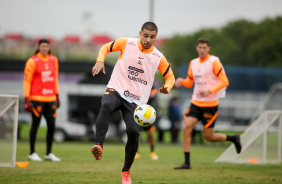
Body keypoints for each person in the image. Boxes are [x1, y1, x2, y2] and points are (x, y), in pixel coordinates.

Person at [91, 22, 175, 183]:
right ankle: (98, 145)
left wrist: (167, 86)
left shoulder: (158, 57)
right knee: (107, 105)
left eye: (152, 37)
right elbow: (105, 47)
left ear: (155, 37)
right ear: (140, 33)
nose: (148, 39)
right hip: (116, 89)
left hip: (136, 102)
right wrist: (100, 60)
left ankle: (126, 172)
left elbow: (170, 76)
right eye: (145, 35)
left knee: (132, 132)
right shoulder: (126, 43)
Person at [174, 38, 241, 169]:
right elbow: (189, 81)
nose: (202, 50)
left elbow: (225, 81)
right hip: (196, 103)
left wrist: (209, 91)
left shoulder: (214, 62)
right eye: (200, 47)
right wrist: (181, 81)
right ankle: (187, 162)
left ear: (208, 48)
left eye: (205, 47)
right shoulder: (193, 63)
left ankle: (233, 138)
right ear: (196, 48)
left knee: (208, 137)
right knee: (186, 128)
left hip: (210, 105)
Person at [23, 38, 61, 162]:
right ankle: (32, 153)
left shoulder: (54, 60)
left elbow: (55, 78)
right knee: (35, 125)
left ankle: (48, 153)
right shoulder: (32, 61)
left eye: (46, 46)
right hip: (37, 98)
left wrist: (57, 95)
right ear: (39, 47)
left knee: (51, 125)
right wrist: (26, 98)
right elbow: (27, 80)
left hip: (50, 98)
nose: (45, 48)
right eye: (42, 46)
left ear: (49, 47)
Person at [135, 87, 159, 160]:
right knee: (137, 134)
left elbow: (152, 97)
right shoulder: (137, 84)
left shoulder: (152, 85)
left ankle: (152, 152)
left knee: (150, 133)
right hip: (139, 113)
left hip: (149, 113)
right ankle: (136, 152)